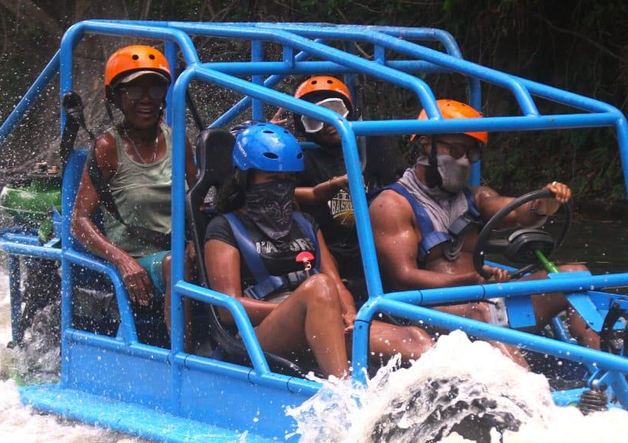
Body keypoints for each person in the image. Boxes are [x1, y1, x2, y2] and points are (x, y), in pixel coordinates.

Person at [368, 99, 601, 365]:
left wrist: (544, 204)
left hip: (485, 297)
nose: (464, 161)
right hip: (429, 311)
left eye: (471, 154)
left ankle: (602, 369)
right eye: (456, 150)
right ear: (425, 144)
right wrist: (471, 281)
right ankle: (529, 387)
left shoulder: (477, 198)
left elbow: (516, 212)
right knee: (480, 312)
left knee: (574, 275)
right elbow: (404, 278)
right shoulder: (392, 205)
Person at [204, 123, 433, 378]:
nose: (282, 188)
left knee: (415, 338)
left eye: (288, 180)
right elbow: (227, 308)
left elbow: (337, 284)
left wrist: (348, 313)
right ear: (245, 178)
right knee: (319, 288)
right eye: (273, 179)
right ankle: (344, 389)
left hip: (322, 313)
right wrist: (309, 309)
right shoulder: (223, 228)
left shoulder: (305, 223)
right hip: (260, 331)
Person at [71, 45, 196, 335]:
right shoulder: (107, 147)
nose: (146, 99)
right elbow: (79, 221)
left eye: (155, 90)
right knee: (174, 263)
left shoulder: (178, 141)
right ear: (115, 97)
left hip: (181, 253)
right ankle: (184, 356)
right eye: (135, 91)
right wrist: (122, 260)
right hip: (139, 259)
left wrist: (199, 243)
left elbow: (200, 202)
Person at [273, 76, 403, 300]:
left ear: (348, 111)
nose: (327, 124)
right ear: (303, 127)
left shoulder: (371, 144)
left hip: (372, 239)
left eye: (335, 110)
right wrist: (274, 139)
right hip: (329, 245)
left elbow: (397, 184)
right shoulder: (303, 159)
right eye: (314, 120)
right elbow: (272, 191)